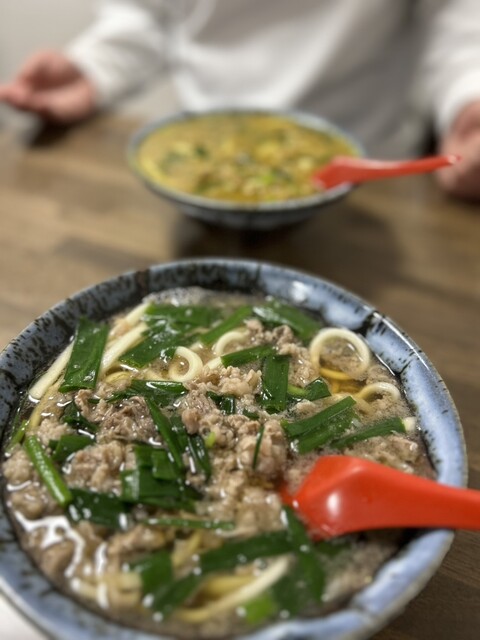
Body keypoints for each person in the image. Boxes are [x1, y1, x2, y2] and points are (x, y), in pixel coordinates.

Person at [1, 0, 480, 200]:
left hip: (369, 174)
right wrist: (97, 65)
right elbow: (148, 14)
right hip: (197, 160)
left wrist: (469, 99)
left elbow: (456, 17)